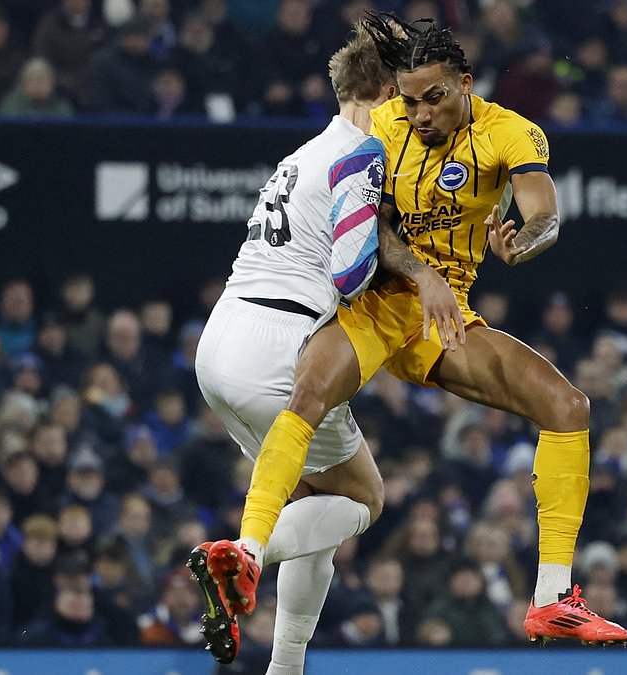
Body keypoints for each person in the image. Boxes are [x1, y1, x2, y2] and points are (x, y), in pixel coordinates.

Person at [204, 10, 627, 655]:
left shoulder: (510, 132)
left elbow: (543, 209)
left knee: (567, 406)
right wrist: (421, 272)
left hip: (442, 322)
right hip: (376, 305)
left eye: (434, 98)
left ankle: (552, 599)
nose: (420, 114)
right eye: (409, 100)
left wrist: (529, 239)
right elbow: (364, 224)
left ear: (465, 82)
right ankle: (250, 552)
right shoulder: (380, 127)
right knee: (308, 397)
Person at [187, 21, 398, 669]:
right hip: (283, 348)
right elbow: (349, 270)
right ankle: (245, 555)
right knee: (365, 498)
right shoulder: (362, 153)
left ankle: (285, 666)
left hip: (221, 341)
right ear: (384, 91)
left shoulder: (300, 153)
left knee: (313, 503)